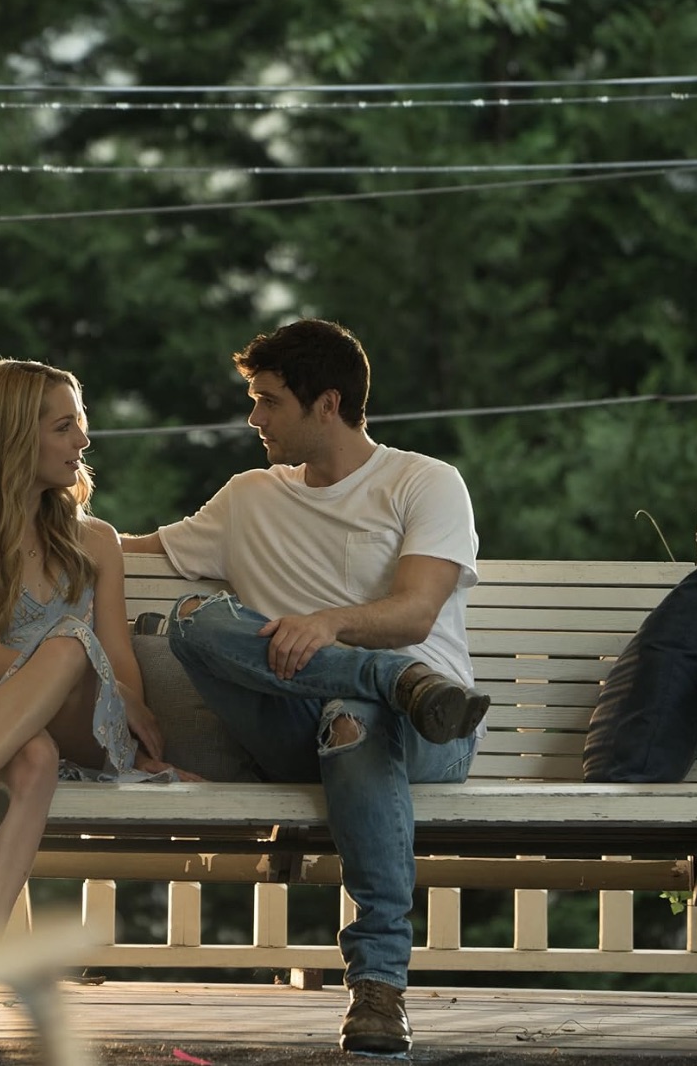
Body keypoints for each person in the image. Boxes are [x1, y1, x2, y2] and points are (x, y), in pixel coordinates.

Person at [121, 318, 489, 1055]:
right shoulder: (248, 496)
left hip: (428, 734)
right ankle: (394, 681)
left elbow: (417, 610)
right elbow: (134, 550)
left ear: (327, 403)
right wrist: (28, 517)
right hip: (299, 728)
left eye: (269, 401)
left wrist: (326, 625)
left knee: (354, 718)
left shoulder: (424, 482)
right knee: (192, 620)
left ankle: (378, 987)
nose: (254, 417)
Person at [0, 358, 195, 1048]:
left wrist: (89, 685)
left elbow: (120, 668)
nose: (81, 443)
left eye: (80, 427)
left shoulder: (95, 541)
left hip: (90, 722)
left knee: (66, 647)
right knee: (30, 751)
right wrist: (51, 676)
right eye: (65, 428)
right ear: (11, 437)